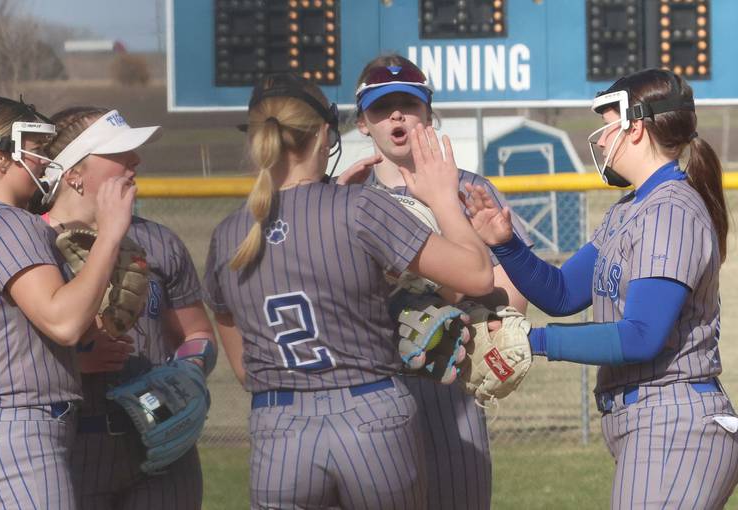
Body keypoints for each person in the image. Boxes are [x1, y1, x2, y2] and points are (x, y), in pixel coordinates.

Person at [203, 72, 495, 510]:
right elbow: (476, 275)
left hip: (278, 426)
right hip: (369, 416)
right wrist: (442, 199)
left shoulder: (229, 234)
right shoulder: (359, 208)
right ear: (325, 133)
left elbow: (244, 368)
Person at [467, 68, 738, 509]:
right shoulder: (631, 208)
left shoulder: (669, 211)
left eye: (609, 119)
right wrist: (506, 244)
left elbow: (640, 335)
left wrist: (532, 340)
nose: (599, 136)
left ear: (637, 126)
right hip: (653, 423)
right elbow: (561, 292)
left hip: (675, 424)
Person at [344, 54, 533, 510]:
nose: (396, 115)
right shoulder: (344, 200)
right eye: (380, 106)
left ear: (428, 113)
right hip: (370, 391)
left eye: (408, 103)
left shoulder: (471, 191)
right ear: (363, 124)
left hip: (451, 391)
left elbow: (515, 299)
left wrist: (445, 302)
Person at [0, 95, 135, 510]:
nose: (45, 161)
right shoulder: (4, 221)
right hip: (13, 443)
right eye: (36, 148)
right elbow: (63, 322)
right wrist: (112, 234)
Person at [39, 106, 215, 509]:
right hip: (70, 448)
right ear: (73, 173)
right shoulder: (30, 247)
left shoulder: (160, 241)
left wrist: (188, 372)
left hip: (161, 448)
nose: (135, 162)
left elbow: (197, 335)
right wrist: (74, 362)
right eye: (120, 153)